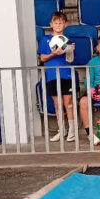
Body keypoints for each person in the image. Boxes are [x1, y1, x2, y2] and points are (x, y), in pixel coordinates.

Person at [37, 11, 75, 142]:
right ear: (51, 24)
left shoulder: (68, 41)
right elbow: (42, 58)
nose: (58, 25)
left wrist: (69, 50)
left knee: (68, 104)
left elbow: (70, 60)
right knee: (58, 104)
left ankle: (72, 131)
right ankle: (62, 130)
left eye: (61, 23)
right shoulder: (45, 40)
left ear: (65, 24)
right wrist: (53, 54)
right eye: (56, 22)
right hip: (52, 75)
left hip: (66, 75)